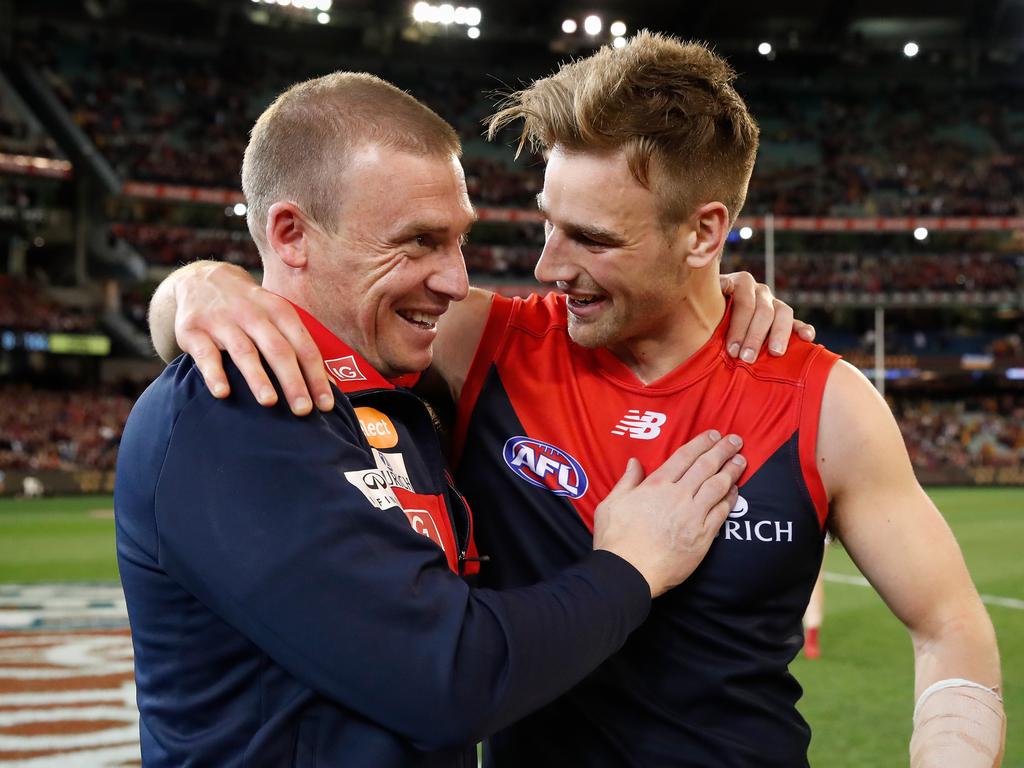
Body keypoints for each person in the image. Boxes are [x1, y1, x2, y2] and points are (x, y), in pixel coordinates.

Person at [150, 33, 1006, 768]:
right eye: (547, 222)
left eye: (593, 239)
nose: (549, 267)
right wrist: (198, 287)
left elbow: (949, 625)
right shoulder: (478, 341)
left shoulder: (821, 401)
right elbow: (305, 314)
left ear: (704, 233)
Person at [116, 71, 756, 768]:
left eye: (457, 241)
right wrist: (631, 565)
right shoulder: (234, 412)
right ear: (291, 234)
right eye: (419, 241)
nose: (455, 279)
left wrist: (704, 298)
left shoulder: (390, 391)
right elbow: (452, 680)